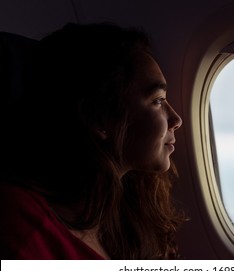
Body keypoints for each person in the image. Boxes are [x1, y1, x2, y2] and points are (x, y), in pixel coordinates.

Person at [0, 22, 185, 259]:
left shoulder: (133, 212)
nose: (176, 119)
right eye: (158, 100)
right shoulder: (20, 223)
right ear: (99, 118)